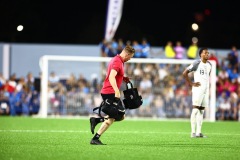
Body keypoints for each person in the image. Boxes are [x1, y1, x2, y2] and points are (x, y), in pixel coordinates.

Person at [89, 45, 135, 145]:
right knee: (114, 116)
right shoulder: (117, 62)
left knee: (121, 116)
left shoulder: (117, 59)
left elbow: (115, 74)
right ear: (127, 54)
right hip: (110, 92)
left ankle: (96, 121)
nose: (130, 59)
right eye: (130, 57)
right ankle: (95, 138)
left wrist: (123, 78)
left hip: (110, 92)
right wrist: (116, 91)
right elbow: (111, 77)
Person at [182, 48, 212, 138]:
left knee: (201, 111)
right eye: (205, 53)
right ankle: (192, 132)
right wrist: (191, 83)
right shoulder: (196, 63)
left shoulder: (210, 65)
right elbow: (185, 73)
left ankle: (199, 132)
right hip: (198, 89)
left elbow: (206, 77)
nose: (207, 54)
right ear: (200, 55)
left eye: (208, 53)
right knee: (195, 110)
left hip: (205, 90)